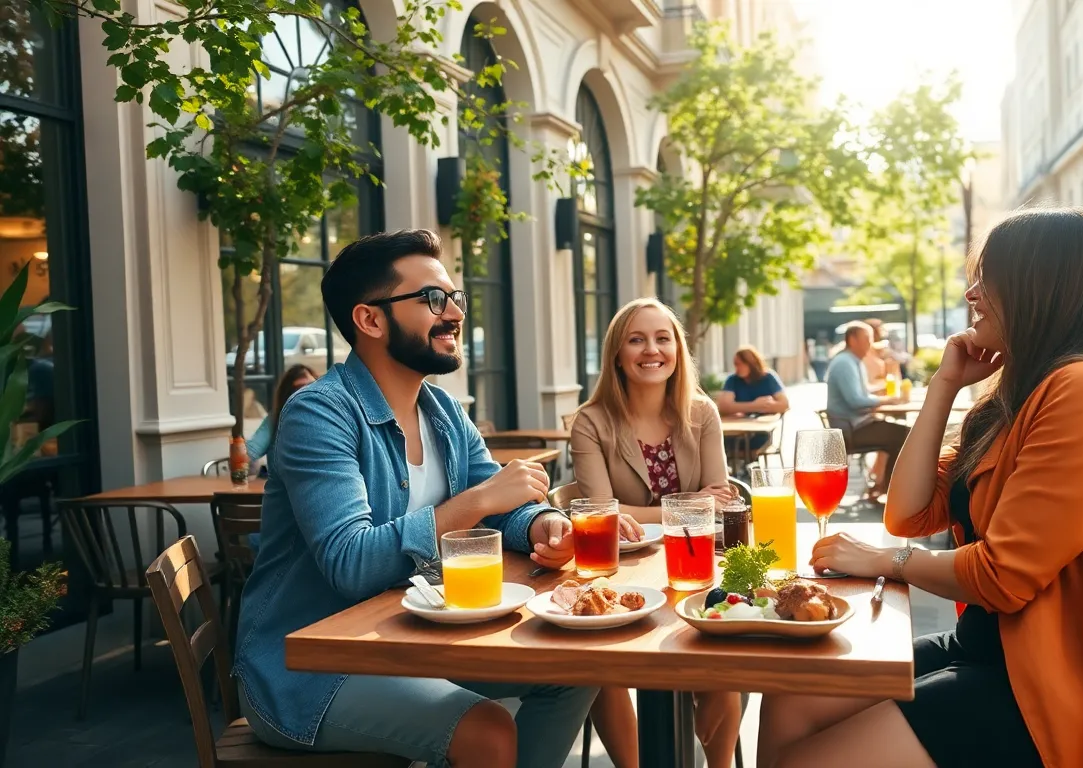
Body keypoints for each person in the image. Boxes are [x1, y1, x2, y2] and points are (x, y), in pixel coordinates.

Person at [760, 208, 1083, 768]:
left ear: (1040, 287)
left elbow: (1002, 576)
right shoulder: (1022, 395)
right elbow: (908, 514)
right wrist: (944, 385)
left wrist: (888, 562)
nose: (971, 293)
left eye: (988, 278)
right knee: (787, 695)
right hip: (989, 651)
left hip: (1058, 688)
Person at [233, 229, 596, 768]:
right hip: (308, 669)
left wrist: (543, 524)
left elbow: (502, 502)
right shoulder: (319, 412)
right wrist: (475, 502)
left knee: (575, 672)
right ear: (371, 320)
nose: (453, 313)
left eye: (455, 299)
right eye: (432, 299)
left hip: (413, 638)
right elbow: (350, 562)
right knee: (487, 730)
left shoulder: (442, 411)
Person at [570, 298, 741, 768]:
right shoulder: (592, 421)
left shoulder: (702, 412)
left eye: (663, 338)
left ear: (678, 350)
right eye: (637, 339)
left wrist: (641, 512)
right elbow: (599, 512)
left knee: (721, 648)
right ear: (618, 354)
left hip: (695, 568)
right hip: (618, 574)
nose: (652, 350)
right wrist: (689, 506)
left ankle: (720, 764)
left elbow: (720, 497)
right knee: (600, 665)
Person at [824, 322, 907, 497]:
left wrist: (880, 391)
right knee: (904, 435)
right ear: (852, 340)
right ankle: (889, 490)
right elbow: (855, 401)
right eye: (866, 339)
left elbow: (861, 391)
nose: (870, 343)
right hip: (850, 429)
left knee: (902, 433)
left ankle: (884, 486)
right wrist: (888, 400)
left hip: (858, 424)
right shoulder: (845, 363)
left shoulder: (853, 361)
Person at [717, 345, 789, 455]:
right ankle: (740, 469)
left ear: (750, 363)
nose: (736, 368)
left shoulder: (769, 378)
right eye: (735, 364)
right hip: (737, 429)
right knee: (725, 441)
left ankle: (744, 468)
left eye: (739, 364)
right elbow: (724, 406)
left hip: (760, 431)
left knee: (755, 441)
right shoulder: (733, 380)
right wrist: (756, 405)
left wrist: (739, 407)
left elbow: (784, 404)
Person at [245, 363, 318, 470]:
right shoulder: (276, 419)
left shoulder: (329, 418)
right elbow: (249, 453)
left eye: (312, 386)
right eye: (299, 389)